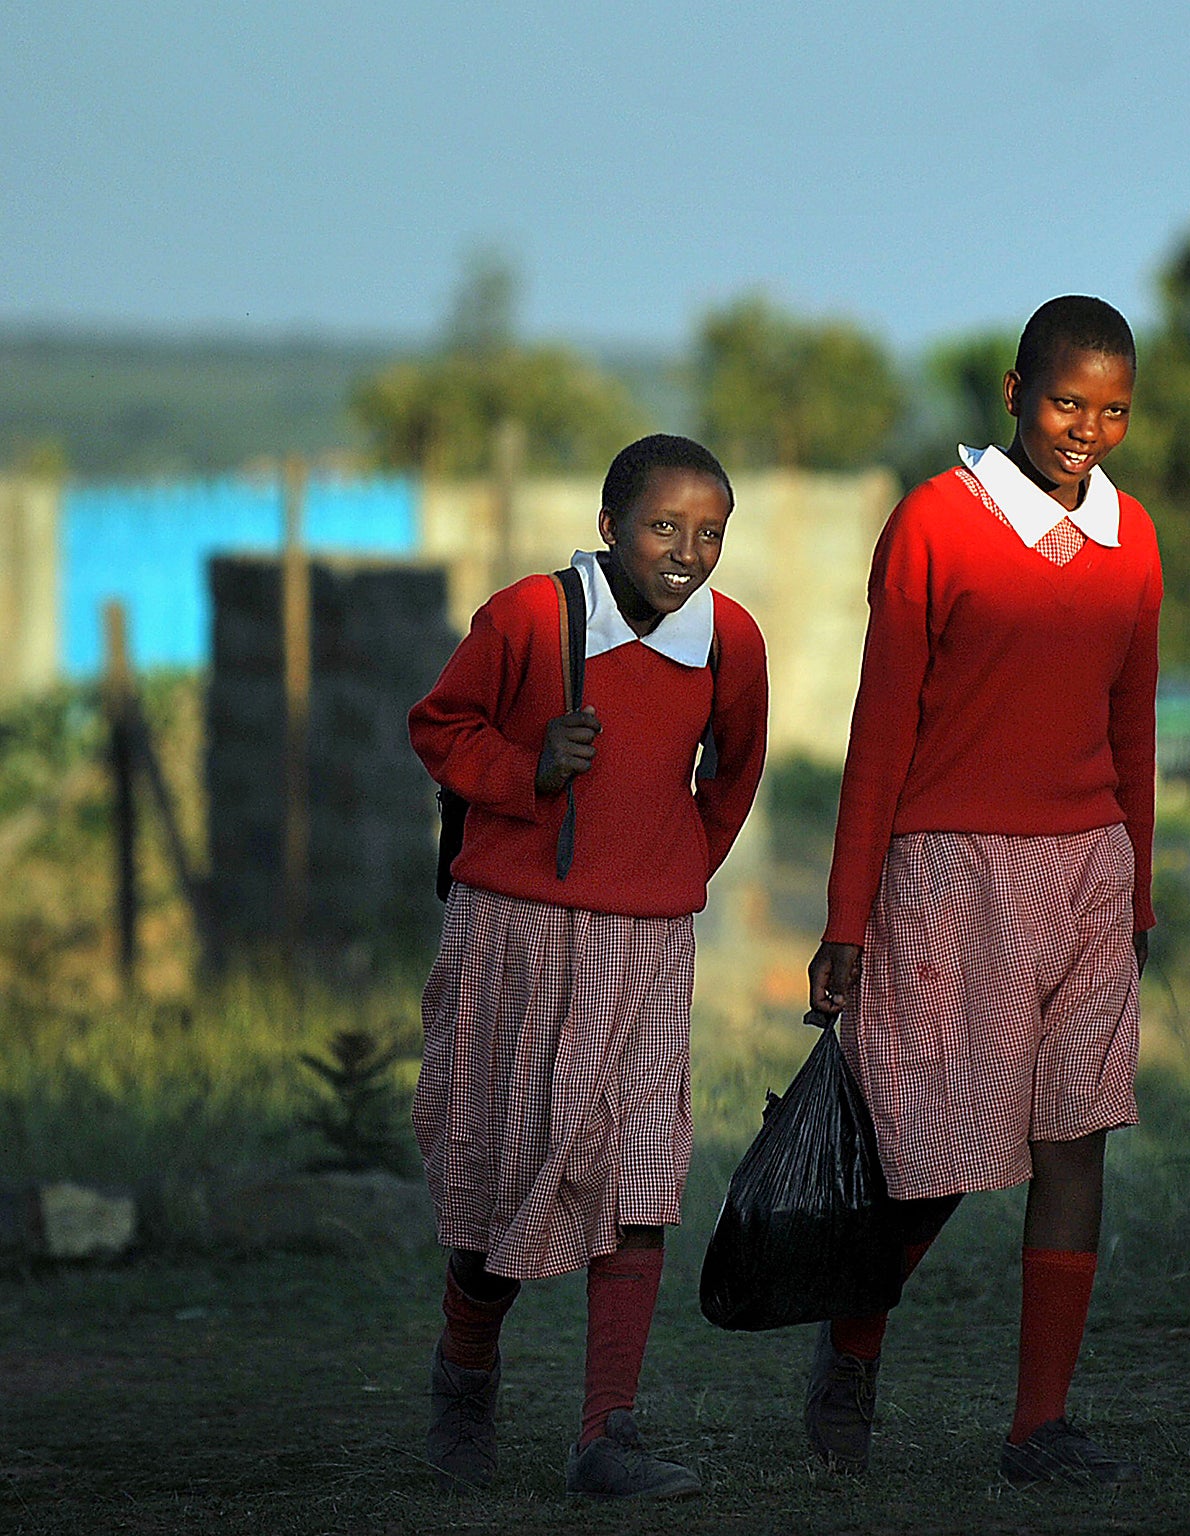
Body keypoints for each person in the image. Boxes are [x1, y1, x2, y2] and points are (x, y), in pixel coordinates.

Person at [805, 295, 1160, 1486]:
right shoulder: (932, 528)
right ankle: (852, 1344)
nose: (1087, 430)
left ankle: (1037, 1429)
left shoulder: (1134, 542)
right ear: (1015, 394)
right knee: (933, 1157)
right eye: (1067, 403)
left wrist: (1138, 895)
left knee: (1076, 1143)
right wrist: (845, 921)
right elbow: (880, 731)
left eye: (1112, 410)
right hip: (951, 873)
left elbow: (1132, 729)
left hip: (1091, 869)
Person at [407, 433, 767, 1499]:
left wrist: (674, 861)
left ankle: (605, 1434)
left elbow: (734, 768)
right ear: (610, 527)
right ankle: (464, 1368)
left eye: (710, 533)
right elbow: (439, 726)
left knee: (639, 1174)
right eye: (664, 527)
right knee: (505, 1167)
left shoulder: (728, 639)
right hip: (514, 927)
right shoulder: (527, 617)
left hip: (647, 939)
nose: (688, 552)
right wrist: (526, 770)